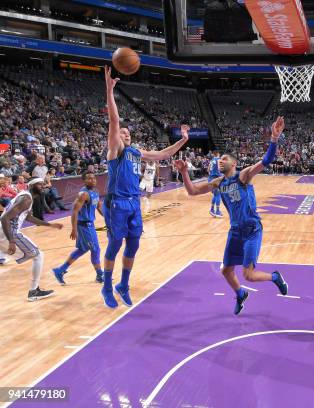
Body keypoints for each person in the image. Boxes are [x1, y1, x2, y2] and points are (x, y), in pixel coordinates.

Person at [174, 116, 288, 315]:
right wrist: (184, 173)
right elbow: (192, 191)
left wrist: (274, 139)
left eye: (224, 159)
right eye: (219, 159)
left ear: (234, 164)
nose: (220, 161)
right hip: (235, 231)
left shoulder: (243, 176)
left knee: (249, 275)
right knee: (226, 271)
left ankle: (275, 277)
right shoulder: (219, 182)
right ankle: (240, 294)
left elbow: (266, 161)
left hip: (252, 230)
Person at [101, 66, 189, 309]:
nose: (125, 133)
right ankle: (107, 286)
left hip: (133, 202)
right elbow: (114, 120)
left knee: (134, 245)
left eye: (128, 132)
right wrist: (109, 90)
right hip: (116, 202)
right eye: (122, 132)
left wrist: (183, 140)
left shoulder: (136, 152)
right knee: (115, 244)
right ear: (117, 136)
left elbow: (163, 154)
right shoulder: (115, 150)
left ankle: (123, 285)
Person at [0, 178, 63, 301]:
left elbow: (28, 217)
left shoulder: (26, 197)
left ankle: (35, 290)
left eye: (43, 184)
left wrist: (50, 225)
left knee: (36, 255)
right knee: (38, 255)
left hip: (4, 231)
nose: (43, 186)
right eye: (40, 184)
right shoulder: (26, 199)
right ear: (32, 186)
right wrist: (11, 241)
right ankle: (34, 292)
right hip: (9, 231)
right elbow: (5, 218)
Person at [52, 172, 104, 284]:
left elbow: (99, 207)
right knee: (95, 249)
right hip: (84, 226)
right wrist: (74, 229)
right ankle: (100, 275)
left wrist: (109, 218)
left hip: (90, 225)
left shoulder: (95, 192)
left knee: (83, 249)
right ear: (84, 181)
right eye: (89, 179)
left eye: (94, 178)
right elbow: (75, 211)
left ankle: (60, 270)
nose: (93, 180)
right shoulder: (83, 194)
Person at [208, 151, 222, 218]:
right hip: (216, 179)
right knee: (218, 195)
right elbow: (219, 169)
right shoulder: (218, 159)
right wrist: (221, 177)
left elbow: (208, 169)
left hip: (210, 178)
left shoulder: (212, 160)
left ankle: (212, 209)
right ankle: (217, 211)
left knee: (215, 194)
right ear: (218, 154)